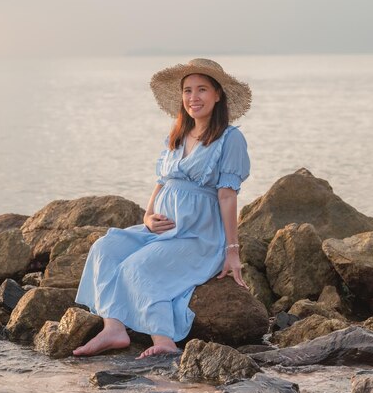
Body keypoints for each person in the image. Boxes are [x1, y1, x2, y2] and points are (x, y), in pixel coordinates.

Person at [73, 58, 252, 359]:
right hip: (160, 230)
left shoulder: (230, 139)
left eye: (202, 90)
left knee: (136, 267)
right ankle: (113, 328)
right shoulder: (177, 132)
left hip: (197, 236)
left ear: (218, 94)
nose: (193, 97)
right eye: (188, 90)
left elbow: (227, 196)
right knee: (105, 248)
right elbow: (161, 181)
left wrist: (231, 250)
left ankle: (164, 339)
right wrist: (147, 216)